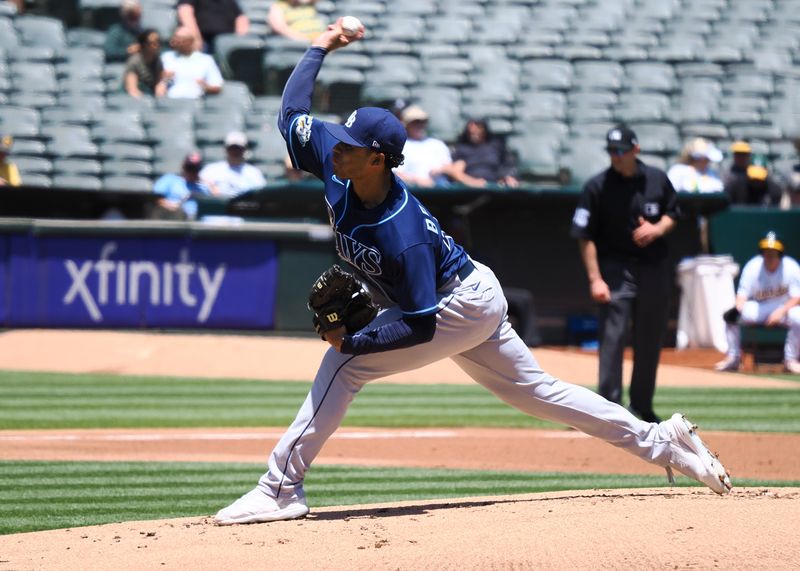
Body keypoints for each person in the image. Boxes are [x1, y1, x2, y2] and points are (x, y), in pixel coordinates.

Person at [213, 21, 731, 526]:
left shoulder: (403, 232)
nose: (336, 147)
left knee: (344, 370)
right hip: (468, 290)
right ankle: (664, 441)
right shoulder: (337, 158)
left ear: (376, 160)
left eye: (350, 144)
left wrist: (352, 345)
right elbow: (291, 113)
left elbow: (420, 325)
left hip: (455, 302)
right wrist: (321, 45)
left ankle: (279, 488)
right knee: (540, 393)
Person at [570, 125, 680, 424]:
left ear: (635, 149)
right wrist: (595, 278)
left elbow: (673, 212)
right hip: (615, 267)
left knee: (650, 337)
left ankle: (642, 406)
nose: (615, 157)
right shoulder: (597, 186)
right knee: (612, 336)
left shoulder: (657, 178)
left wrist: (657, 228)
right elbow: (584, 235)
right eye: (611, 151)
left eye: (620, 151)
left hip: (653, 267)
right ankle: (609, 410)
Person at [714, 232, 800, 374]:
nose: (770, 255)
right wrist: (737, 309)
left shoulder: (791, 267)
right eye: (767, 251)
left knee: (798, 316)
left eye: (773, 252)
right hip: (760, 308)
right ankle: (733, 358)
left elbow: (797, 297)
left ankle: (791, 360)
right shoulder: (753, 267)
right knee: (731, 316)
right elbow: (742, 295)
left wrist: (780, 312)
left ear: (780, 253)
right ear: (762, 252)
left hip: (784, 308)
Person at [447, 117, 519, 188]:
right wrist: (472, 182)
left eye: (478, 127)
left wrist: (508, 177)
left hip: (495, 185)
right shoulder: (461, 149)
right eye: (471, 128)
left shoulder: (496, 146)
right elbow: (455, 172)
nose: (474, 131)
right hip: (469, 187)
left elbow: (508, 165)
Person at [394, 105, 452, 188]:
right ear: (406, 125)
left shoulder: (438, 144)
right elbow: (396, 173)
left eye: (422, 121)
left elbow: (450, 167)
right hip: (413, 191)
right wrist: (416, 180)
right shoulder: (401, 146)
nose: (419, 125)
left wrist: (441, 170)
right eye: (415, 122)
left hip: (441, 190)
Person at [161, 26, 224, 99]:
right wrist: (163, 79)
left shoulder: (206, 60)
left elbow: (217, 87)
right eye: (176, 39)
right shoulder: (166, 57)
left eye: (182, 40)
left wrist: (205, 86)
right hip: (170, 101)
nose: (177, 42)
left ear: (191, 41)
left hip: (196, 103)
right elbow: (157, 83)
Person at [199, 131, 266, 197]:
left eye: (239, 148)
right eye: (232, 148)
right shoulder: (211, 170)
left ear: (245, 150)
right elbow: (199, 186)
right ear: (225, 149)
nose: (235, 151)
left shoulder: (253, 173)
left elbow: (260, 193)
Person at [152, 151, 213, 220]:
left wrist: (210, 184)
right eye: (189, 168)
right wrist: (168, 204)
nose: (191, 172)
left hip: (197, 221)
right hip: (173, 218)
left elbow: (215, 203)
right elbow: (154, 198)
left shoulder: (203, 188)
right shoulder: (170, 179)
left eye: (195, 169)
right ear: (183, 167)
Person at [722, 140, 783, 206]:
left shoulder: (774, 190)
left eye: (744, 154)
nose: (756, 182)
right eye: (753, 179)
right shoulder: (737, 186)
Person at [177, 0, 249, 53]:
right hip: (204, 41)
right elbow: (185, 11)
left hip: (226, 42)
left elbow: (241, 18)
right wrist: (196, 38)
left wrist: (237, 41)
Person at [123, 29, 166, 98]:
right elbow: (132, 89)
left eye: (158, 42)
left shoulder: (158, 61)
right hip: (136, 100)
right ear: (143, 45)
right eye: (153, 43)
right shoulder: (134, 62)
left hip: (152, 97)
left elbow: (160, 82)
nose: (157, 46)